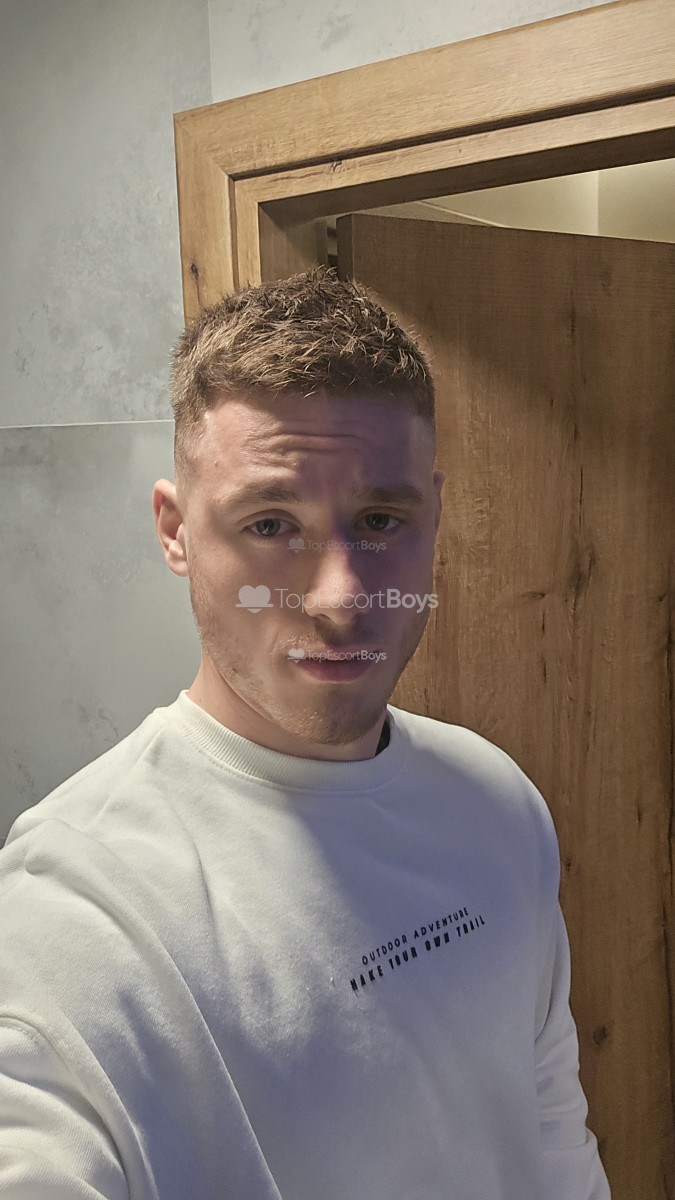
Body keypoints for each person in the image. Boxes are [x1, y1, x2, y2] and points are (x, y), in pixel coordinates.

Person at [0, 266, 611, 1199]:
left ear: (434, 516)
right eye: (270, 523)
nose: (338, 598)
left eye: (380, 520)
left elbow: (548, 1129)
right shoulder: (74, 910)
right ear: (175, 530)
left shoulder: (496, 799)